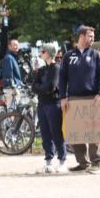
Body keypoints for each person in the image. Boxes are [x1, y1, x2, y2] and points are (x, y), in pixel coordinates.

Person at [58, 25, 100, 173]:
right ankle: (82, 162)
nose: (92, 39)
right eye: (90, 36)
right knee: (76, 133)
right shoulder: (68, 56)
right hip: (74, 98)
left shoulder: (96, 55)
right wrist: (62, 97)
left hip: (93, 98)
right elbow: (62, 78)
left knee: (95, 132)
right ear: (81, 36)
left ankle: (96, 163)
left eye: (93, 37)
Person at [32, 42, 66, 173]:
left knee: (56, 133)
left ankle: (62, 160)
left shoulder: (56, 68)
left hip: (53, 104)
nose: (41, 53)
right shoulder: (41, 70)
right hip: (42, 104)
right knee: (45, 134)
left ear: (50, 53)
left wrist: (40, 87)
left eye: (43, 51)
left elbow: (51, 87)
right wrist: (43, 88)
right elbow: (33, 87)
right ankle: (49, 161)